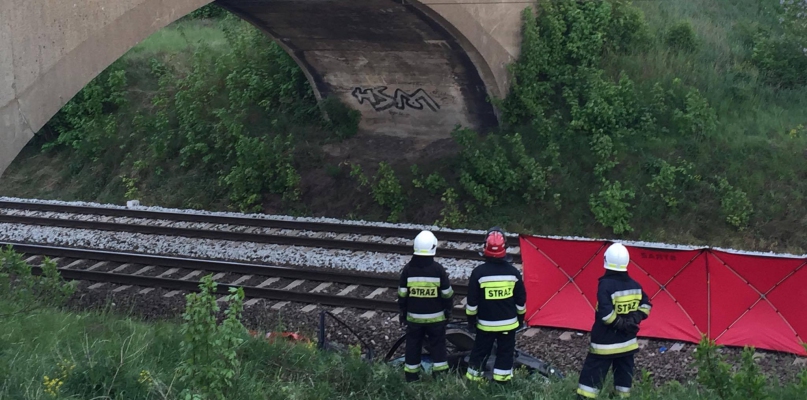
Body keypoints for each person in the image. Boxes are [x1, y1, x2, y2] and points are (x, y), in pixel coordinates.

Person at [577, 243, 652, 399]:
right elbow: (646, 305)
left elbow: (606, 316)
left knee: (590, 380)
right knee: (623, 380)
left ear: (605, 260)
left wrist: (621, 324)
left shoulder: (605, 285)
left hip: (604, 344)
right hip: (627, 344)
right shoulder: (635, 286)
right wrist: (634, 319)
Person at [465, 227, 527, 384]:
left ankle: (473, 382)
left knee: (479, 353)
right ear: (505, 249)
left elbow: (472, 303)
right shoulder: (513, 273)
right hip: (508, 325)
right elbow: (521, 300)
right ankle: (502, 384)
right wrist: (520, 319)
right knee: (505, 353)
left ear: (485, 248)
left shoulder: (478, 273)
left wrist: (471, 322)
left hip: (485, 325)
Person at [397, 230, 454, 382]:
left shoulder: (408, 269)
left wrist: (403, 312)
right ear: (433, 247)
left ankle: (411, 378)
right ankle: (440, 378)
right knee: (438, 347)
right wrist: (448, 310)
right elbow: (447, 294)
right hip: (436, 320)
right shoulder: (438, 269)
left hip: (414, 319)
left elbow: (402, 294)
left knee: (413, 347)